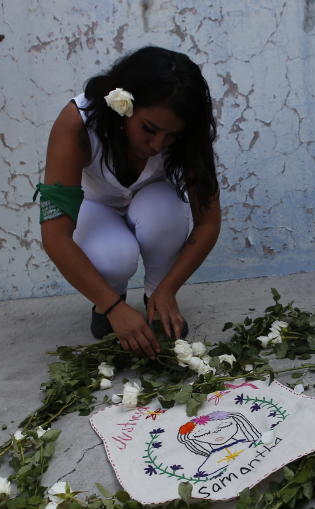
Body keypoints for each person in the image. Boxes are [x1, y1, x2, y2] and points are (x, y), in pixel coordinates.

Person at [37, 46, 221, 359]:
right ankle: (107, 303)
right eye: (149, 130)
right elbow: (55, 237)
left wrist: (168, 288)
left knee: (164, 210)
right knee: (115, 258)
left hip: (153, 204)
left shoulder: (189, 134)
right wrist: (114, 307)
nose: (158, 145)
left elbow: (208, 222)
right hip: (96, 207)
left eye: (171, 137)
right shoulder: (76, 124)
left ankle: (157, 302)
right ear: (123, 107)